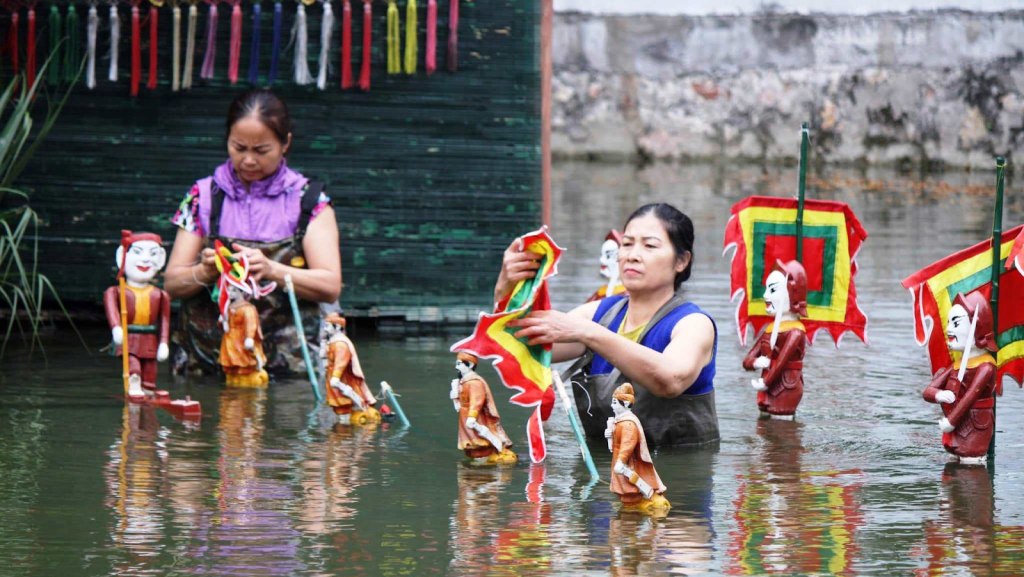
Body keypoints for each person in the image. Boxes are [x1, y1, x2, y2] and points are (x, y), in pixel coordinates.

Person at [499, 203, 719, 447]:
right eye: (627, 244)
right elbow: (518, 349)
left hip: (678, 476)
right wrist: (506, 289)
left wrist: (588, 333)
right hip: (604, 472)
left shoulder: (693, 324)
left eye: (650, 246)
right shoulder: (600, 313)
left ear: (681, 261)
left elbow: (670, 381)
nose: (632, 255)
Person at [164, 89, 342, 376]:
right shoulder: (203, 196)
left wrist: (272, 269)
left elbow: (330, 286)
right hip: (208, 366)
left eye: (261, 151)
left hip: (290, 372)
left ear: (285, 143)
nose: (248, 160)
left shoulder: (310, 201)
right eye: (238, 147)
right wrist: (206, 271)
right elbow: (171, 284)